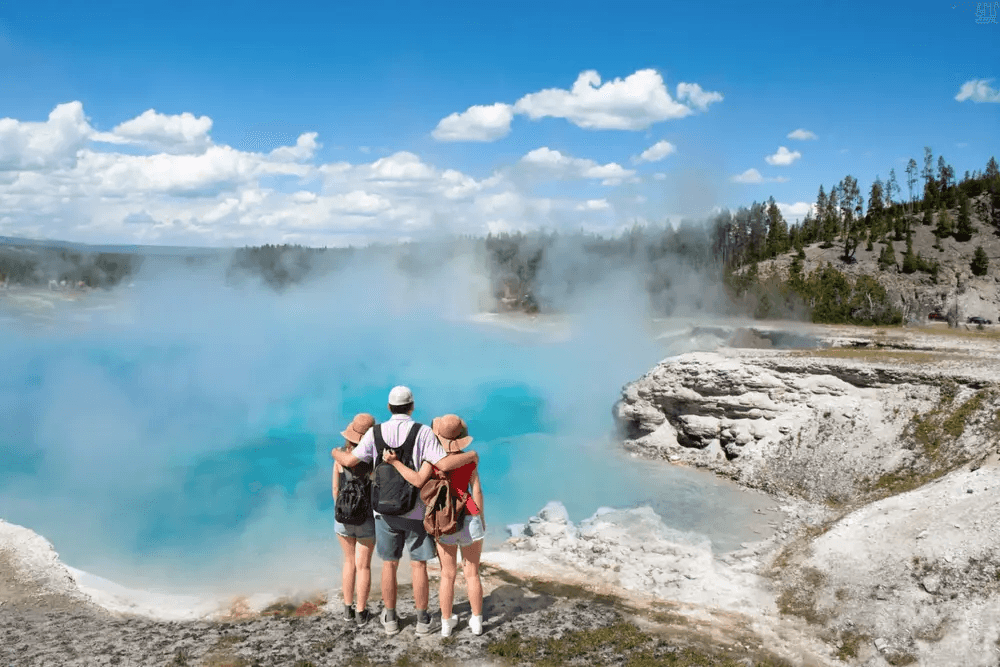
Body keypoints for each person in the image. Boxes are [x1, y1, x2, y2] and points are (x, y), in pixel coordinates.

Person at [331, 386, 478, 636]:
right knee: (418, 565)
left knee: (389, 565)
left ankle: (390, 619)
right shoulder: (422, 432)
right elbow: (442, 463)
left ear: (389, 408)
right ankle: (422, 621)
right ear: (412, 407)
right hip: (416, 511)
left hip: (384, 513)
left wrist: (334, 452)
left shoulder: (375, 433)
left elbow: (349, 462)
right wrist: (472, 455)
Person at [384, 414, 486, 637]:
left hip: (443, 519)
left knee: (447, 574)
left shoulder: (431, 461)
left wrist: (395, 463)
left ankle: (447, 624)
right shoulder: (469, 459)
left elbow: (417, 481)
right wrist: (481, 518)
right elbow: (475, 490)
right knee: (472, 574)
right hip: (469, 514)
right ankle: (477, 621)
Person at [332, 412, 377, 627]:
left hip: (343, 518)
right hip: (367, 519)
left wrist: (343, 510)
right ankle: (361, 612)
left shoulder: (340, 455)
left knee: (349, 563)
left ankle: (347, 610)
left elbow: (335, 489)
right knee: (364, 566)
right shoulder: (373, 459)